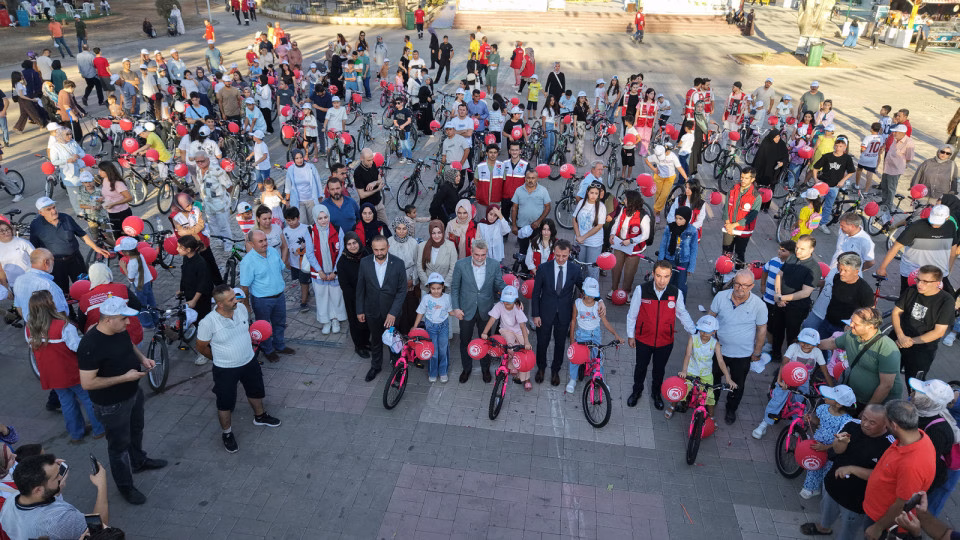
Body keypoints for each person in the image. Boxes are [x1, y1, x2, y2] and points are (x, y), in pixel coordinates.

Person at [78, 296, 167, 504]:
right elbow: (87, 383)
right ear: (108, 320)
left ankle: (138, 461)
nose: (128, 323)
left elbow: (129, 345)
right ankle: (125, 487)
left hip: (133, 393)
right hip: (112, 404)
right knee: (118, 446)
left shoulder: (118, 330)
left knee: (136, 429)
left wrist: (142, 359)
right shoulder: (90, 345)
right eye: (123, 319)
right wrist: (124, 378)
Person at [196, 285, 281, 453]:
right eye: (231, 299)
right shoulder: (208, 322)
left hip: (249, 361)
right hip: (225, 369)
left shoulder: (241, 308)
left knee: (256, 391)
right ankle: (227, 433)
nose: (237, 300)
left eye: (235, 296)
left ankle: (260, 416)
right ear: (220, 304)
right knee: (225, 402)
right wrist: (218, 358)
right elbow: (201, 347)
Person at [27, 290, 106, 443]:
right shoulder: (63, 326)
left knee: (66, 402)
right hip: (71, 371)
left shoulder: (30, 328)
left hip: (51, 373)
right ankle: (99, 429)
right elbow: (77, 347)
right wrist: (89, 334)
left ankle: (76, 433)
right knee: (88, 399)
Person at [626, 259, 696, 409]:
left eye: (666, 276)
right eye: (658, 276)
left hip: (665, 341)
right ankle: (636, 391)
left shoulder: (676, 292)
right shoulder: (641, 290)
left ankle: (656, 394)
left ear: (670, 276)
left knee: (659, 370)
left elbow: (682, 314)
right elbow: (632, 314)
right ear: (653, 274)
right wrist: (631, 335)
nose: (661, 280)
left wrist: (694, 332)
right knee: (640, 367)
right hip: (643, 339)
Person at [863, 400, 937, 540]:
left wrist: (877, 528)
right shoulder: (918, 437)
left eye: (886, 422)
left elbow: (902, 504)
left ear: (894, 426)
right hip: (877, 511)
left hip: (886, 523)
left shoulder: (912, 465)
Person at [0, 453, 109, 539]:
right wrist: (102, 485)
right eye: (56, 476)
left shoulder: (10, 501)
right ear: (38, 490)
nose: (61, 477)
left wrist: (54, 484)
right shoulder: (59, 520)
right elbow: (99, 528)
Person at [818, 307, 904, 408]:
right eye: (851, 321)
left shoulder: (886, 348)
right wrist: (811, 344)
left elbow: (886, 385)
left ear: (870, 327)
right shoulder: (852, 335)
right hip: (855, 398)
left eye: (856, 324)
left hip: (878, 405)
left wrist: (869, 408)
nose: (850, 325)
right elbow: (833, 343)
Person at [754, 328, 830, 438]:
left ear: (816, 345)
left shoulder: (817, 352)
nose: (805, 345)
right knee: (778, 399)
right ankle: (765, 423)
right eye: (803, 342)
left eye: (810, 344)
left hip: (803, 379)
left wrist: (831, 388)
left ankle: (796, 426)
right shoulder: (794, 347)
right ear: (798, 340)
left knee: (800, 403)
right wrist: (780, 381)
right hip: (787, 376)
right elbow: (784, 363)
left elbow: (824, 370)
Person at [29, 197, 109, 298]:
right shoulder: (36, 226)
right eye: (49, 209)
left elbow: (82, 234)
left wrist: (96, 248)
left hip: (75, 260)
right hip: (55, 265)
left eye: (54, 207)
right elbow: (35, 248)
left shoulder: (66, 218)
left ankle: (87, 307)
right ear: (41, 213)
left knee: (85, 286)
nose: (53, 211)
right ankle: (70, 312)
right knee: (62, 292)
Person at [451, 239, 504, 383]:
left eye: (483, 255)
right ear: (471, 252)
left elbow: (499, 284)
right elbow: (454, 288)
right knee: (465, 341)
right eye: (477, 255)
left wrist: (511, 296)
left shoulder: (494, 265)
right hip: (466, 309)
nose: (480, 258)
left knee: (485, 340)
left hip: (486, 310)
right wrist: (456, 308)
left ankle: (485, 369)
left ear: (486, 253)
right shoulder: (460, 265)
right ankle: (466, 369)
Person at [531, 240, 583, 386]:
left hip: (564, 314)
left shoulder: (575, 270)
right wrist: (535, 314)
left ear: (569, 254)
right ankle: (541, 368)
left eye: (564, 256)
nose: (560, 259)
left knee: (560, 344)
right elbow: (536, 294)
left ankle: (555, 370)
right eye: (558, 255)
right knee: (542, 343)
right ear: (554, 252)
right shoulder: (543, 268)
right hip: (545, 313)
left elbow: (583, 286)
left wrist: (598, 299)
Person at [238, 230, 295, 363]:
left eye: (265, 240)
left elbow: (281, 267)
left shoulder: (273, 252)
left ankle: (280, 345)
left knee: (280, 323)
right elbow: (245, 287)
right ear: (251, 244)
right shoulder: (247, 262)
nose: (265, 243)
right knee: (264, 326)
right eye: (261, 241)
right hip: (262, 300)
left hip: (279, 296)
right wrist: (246, 305)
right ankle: (267, 350)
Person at [356, 235, 407, 382]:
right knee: (376, 340)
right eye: (376, 250)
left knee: (394, 342)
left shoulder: (398, 263)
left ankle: (397, 368)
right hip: (372, 312)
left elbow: (402, 291)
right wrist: (360, 310)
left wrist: (393, 313)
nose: (379, 253)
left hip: (392, 312)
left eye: (382, 249)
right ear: (372, 249)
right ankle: (376, 366)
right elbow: (361, 288)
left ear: (388, 247)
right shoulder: (365, 263)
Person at [876, 205, 958, 295]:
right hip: (913, 272)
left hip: (937, 272)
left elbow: (952, 250)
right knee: (907, 301)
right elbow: (895, 247)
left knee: (949, 298)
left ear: (947, 218)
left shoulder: (951, 227)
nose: (934, 224)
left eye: (938, 222)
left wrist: (948, 270)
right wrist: (882, 268)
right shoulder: (916, 226)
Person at [892, 265, 955, 380]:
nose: (919, 284)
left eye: (925, 282)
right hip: (898, 339)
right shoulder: (911, 290)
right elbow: (896, 312)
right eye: (918, 279)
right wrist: (901, 336)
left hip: (922, 348)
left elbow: (938, 332)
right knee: (885, 374)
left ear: (937, 283)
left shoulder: (946, 301)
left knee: (914, 384)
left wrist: (910, 341)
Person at [666, 315, 735, 420]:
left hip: (706, 373)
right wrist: (684, 370)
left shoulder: (715, 344)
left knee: (710, 397)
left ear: (714, 332)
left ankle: (711, 418)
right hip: (691, 370)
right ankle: (672, 406)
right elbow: (688, 355)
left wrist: (728, 378)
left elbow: (721, 361)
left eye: (707, 331)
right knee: (681, 389)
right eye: (702, 330)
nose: (703, 334)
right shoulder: (693, 338)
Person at [910, 378, 959, 515]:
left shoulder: (938, 431)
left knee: (917, 510)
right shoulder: (922, 412)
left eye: (920, 393)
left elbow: (927, 465)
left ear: (930, 402)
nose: (913, 394)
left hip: (925, 480)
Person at [566, 277, 621, 394]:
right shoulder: (577, 304)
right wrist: (571, 339)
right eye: (588, 294)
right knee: (576, 358)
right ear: (583, 293)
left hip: (595, 335)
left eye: (593, 295)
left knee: (598, 358)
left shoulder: (598, 306)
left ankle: (600, 379)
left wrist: (616, 334)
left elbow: (605, 322)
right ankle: (572, 379)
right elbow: (573, 321)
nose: (590, 298)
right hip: (581, 335)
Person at [770, 234, 820, 361]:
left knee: (792, 334)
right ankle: (775, 354)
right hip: (780, 301)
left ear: (811, 250)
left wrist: (782, 298)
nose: (798, 251)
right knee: (777, 330)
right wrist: (778, 294)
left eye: (802, 249)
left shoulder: (813, 268)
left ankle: (790, 359)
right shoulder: (792, 257)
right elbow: (779, 275)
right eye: (797, 247)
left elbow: (805, 293)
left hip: (797, 307)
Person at [310, 206, 348, 333]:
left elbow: (341, 250)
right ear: (315, 218)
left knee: (336, 296)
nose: (323, 221)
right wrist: (320, 271)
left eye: (325, 217)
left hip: (334, 271)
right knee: (321, 296)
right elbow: (310, 253)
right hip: (318, 272)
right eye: (320, 218)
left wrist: (335, 271)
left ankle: (335, 318)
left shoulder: (337, 229)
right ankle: (325, 320)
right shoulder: (310, 231)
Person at [608, 190, 650, 295]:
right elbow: (617, 222)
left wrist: (631, 241)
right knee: (616, 268)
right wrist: (612, 234)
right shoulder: (624, 209)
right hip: (619, 244)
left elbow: (645, 235)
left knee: (629, 272)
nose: (624, 200)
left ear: (631, 201)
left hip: (634, 249)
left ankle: (626, 292)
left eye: (626, 199)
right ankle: (614, 289)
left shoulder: (643, 216)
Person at [413, 272, 453, 382]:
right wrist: (415, 327)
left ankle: (443, 371)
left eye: (438, 288)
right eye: (433, 288)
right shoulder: (426, 298)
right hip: (430, 327)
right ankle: (433, 372)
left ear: (443, 287)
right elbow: (420, 312)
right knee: (433, 351)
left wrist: (459, 313)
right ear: (429, 287)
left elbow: (450, 311)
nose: (436, 291)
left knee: (443, 349)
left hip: (444, 326)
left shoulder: (447, 298)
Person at [812, 136, 856, 234]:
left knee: (828, 206)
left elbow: (851, 171)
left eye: (841, 146)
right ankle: (812, 219)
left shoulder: (847, 158)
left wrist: (843, 181)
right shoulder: (827, 156)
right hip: (823, 184)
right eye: (836, 145)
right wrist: (815, 179)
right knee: (815, 203)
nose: (838, 148)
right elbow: (815, 168)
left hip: (835, 186)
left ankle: (822, 223)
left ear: (845, 147)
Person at [338, 232, 370, 358]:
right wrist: (358, 298)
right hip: (353, 298)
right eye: (349, 244)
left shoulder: (366, 254)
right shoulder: (342, 262)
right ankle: (359, 346)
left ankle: (366, 342)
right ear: (345, 246)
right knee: (356, 322)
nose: (352, 246)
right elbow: (344, 286)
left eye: (354, 243)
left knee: (367, 321)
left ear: (359, 242)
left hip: (368, 295)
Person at [282, 207, 319, 314]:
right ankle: (306, 293)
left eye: (293, 220)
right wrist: (287, 260)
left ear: (298, 218)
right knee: (300, 280)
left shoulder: (307, 228)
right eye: (288, 220)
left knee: (304, 281)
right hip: (294, 262)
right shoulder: (285, 231)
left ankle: (303, 302)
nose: (291, 223)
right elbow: (286, 246)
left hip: (306, 262)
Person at [721, 168, 761, 263]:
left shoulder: (756, 196)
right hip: (729, 227)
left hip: (743, 231)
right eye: (742, 177)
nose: (742, 180)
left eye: (746, 178)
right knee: (726, 253)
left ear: (752, 179)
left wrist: (733, 225)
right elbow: (726, 207)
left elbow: (751, 216)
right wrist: (728, 223)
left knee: (739, 254)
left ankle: (738, 275)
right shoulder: (733, 189)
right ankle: (720, 275)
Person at [657, 206, 698, 296]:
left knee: (681, 285)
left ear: (687, 219)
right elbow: (663, 245)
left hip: (684, 261)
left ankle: (680, 306)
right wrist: (660, 261)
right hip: (669, 258)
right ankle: (667, 303)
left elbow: (694, 249)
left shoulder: (693, 231)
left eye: (680, 219)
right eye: (676, 218)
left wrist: (691, 266)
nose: (677, 221)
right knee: (668, 282)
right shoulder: (669, 228)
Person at [573, 183, 607, 281]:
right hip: (580, 242)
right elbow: (574, 219)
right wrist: (578, 235)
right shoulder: (581, 203)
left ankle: (592, 292)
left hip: (594, 243)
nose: (593, 195)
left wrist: (583, 237)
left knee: (592, 268)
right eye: (591, 193)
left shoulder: (601, 207)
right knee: (580, 267)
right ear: (587, 192)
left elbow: (599, 226)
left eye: (596, 193)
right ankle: (581, 290)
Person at [879, 124, 915, 209]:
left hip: (895, 169)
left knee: (891, 187)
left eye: (896, 132)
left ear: (902, 133)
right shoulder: (896, 139)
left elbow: (909, 157)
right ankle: (884, 201)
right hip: (887, 167)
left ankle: (889, 204)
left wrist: (901, 164)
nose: (893, 133)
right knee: (884, 185)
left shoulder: (909, 142)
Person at [753, 129, 788, 211]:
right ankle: (758, 204)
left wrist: (782, 163)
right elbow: (759, 157)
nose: (777, 139)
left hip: (774, 171)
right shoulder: (766, 143)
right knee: (760, 189)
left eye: (779, 136)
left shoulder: (782, 145)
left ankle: (766, 206)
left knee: (770, 189)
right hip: (763, 169)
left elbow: (785, 157)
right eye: (775, 137)